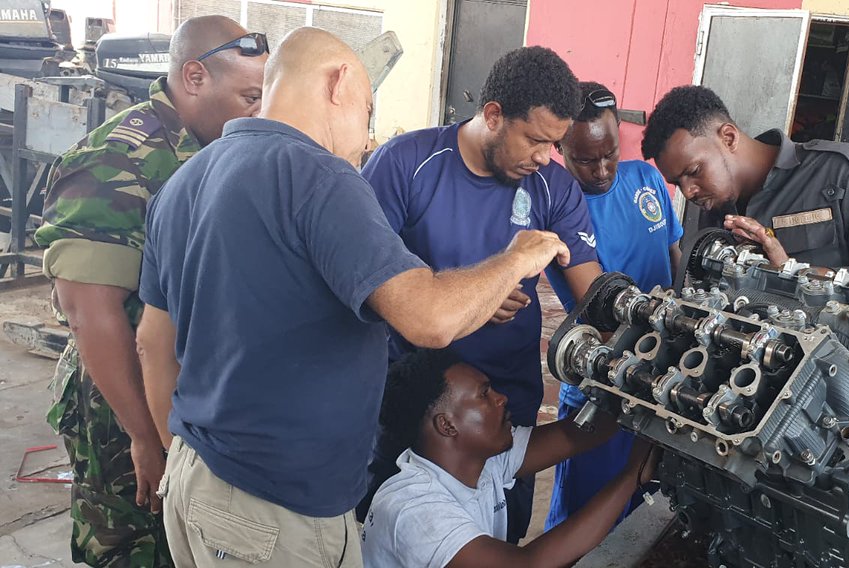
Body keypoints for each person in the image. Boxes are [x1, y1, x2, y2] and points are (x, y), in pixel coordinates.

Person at [136, 28, 570, 568]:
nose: (366, 139)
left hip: (196, 483)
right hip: (276, 510)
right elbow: (428, 320)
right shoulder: (321, 177)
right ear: (339, 83)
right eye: (367, 111)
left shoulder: (185, 181)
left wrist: (180, 451)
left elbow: (154, 344)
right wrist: (517, 259)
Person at [32, 15, 267, 566]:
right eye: (249, 96)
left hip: (193, 393)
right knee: (131, 544)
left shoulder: (219, 147)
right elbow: (92, 314)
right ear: (193, 78)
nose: (259, 110)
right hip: (122, 403)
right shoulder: (114, 160)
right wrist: (145, 436)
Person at [361, 46, 602, 540]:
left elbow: (593, 295)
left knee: (498, 539)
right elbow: (365, 287)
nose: (543, 158)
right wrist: (475, 296)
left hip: (506, 411)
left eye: (553, 145)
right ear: (493, 115)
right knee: (397, 537)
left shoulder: (553, 188)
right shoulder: (407, 164)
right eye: (534, 139)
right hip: (414, 408)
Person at [360, 350, 657, 568]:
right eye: (484, 394)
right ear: (447, 425)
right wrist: (632, 476)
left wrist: (644, 390)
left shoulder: (482, 460)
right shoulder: (414, 510)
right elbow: (529, 564)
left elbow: (581, 434)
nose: (501, 398)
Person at [543, 81, 682, 532]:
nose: (602, 169)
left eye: (610, 154)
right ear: (560, 145)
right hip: (600, 383)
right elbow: (597, 311)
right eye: (585, 159)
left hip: (664, 377)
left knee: (643, 508)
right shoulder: (558, 205)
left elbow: (675, 260)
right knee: (584, 517)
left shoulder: (645, 179)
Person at [640, 85, 849, 303]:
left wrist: (795, 273)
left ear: (728, 138)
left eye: (694, 170)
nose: (688, 191)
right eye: (677, 183)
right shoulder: (717, 208)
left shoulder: (844, 173)